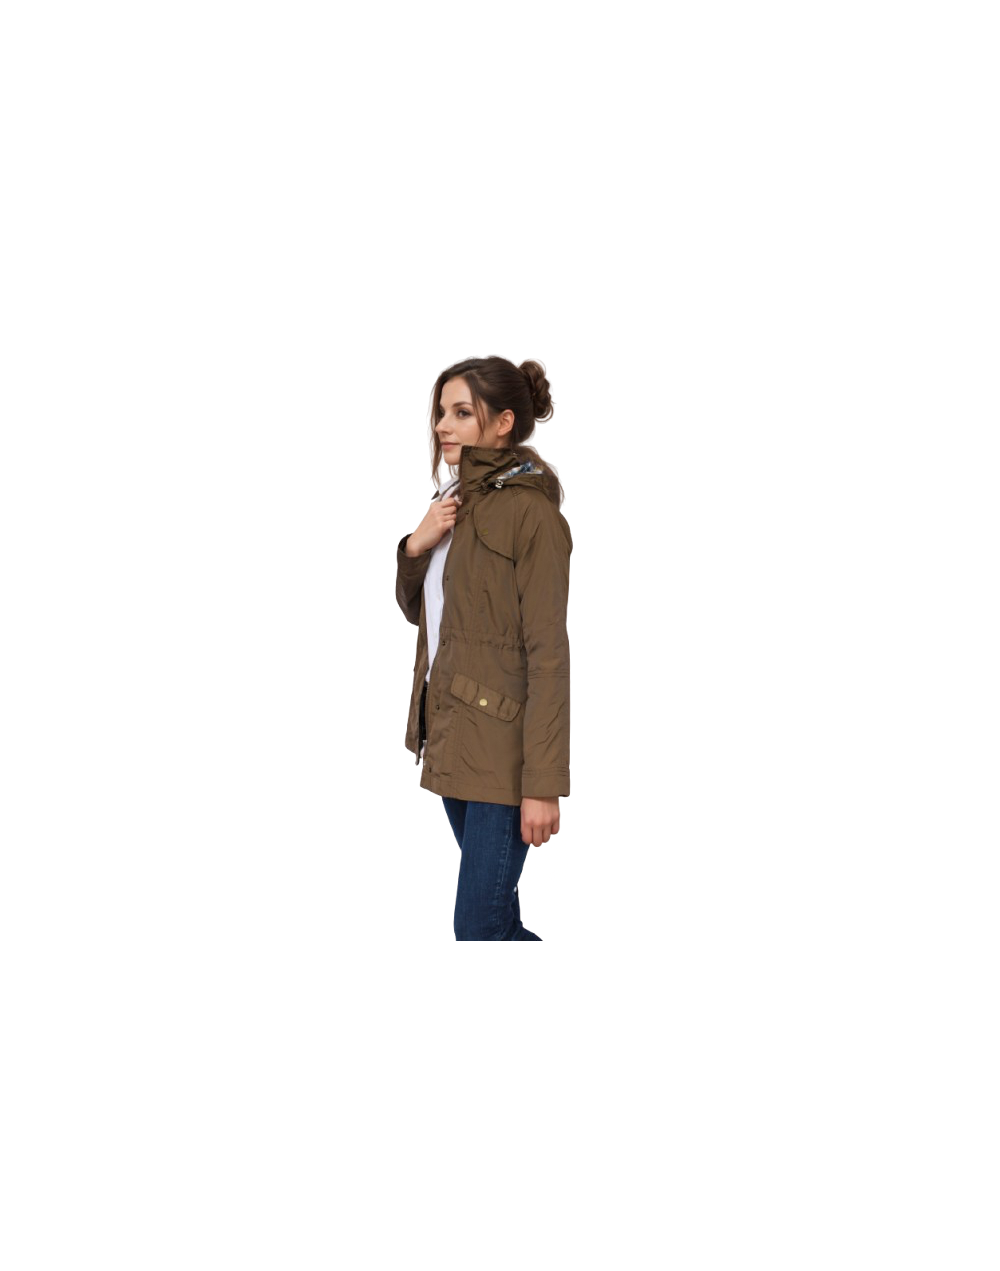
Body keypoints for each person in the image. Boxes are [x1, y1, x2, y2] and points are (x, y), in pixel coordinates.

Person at [395, 356, 573, 941]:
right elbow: (423, 615)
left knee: (479, 927)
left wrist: (542, 783)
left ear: (502, 423)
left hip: (505, 755)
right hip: (452, 738)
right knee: (497, 923)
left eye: (461, 413)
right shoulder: (454, 506)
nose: (442, 425)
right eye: (440, 412)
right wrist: (416, 545)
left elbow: (548, 655)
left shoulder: (532, 515)